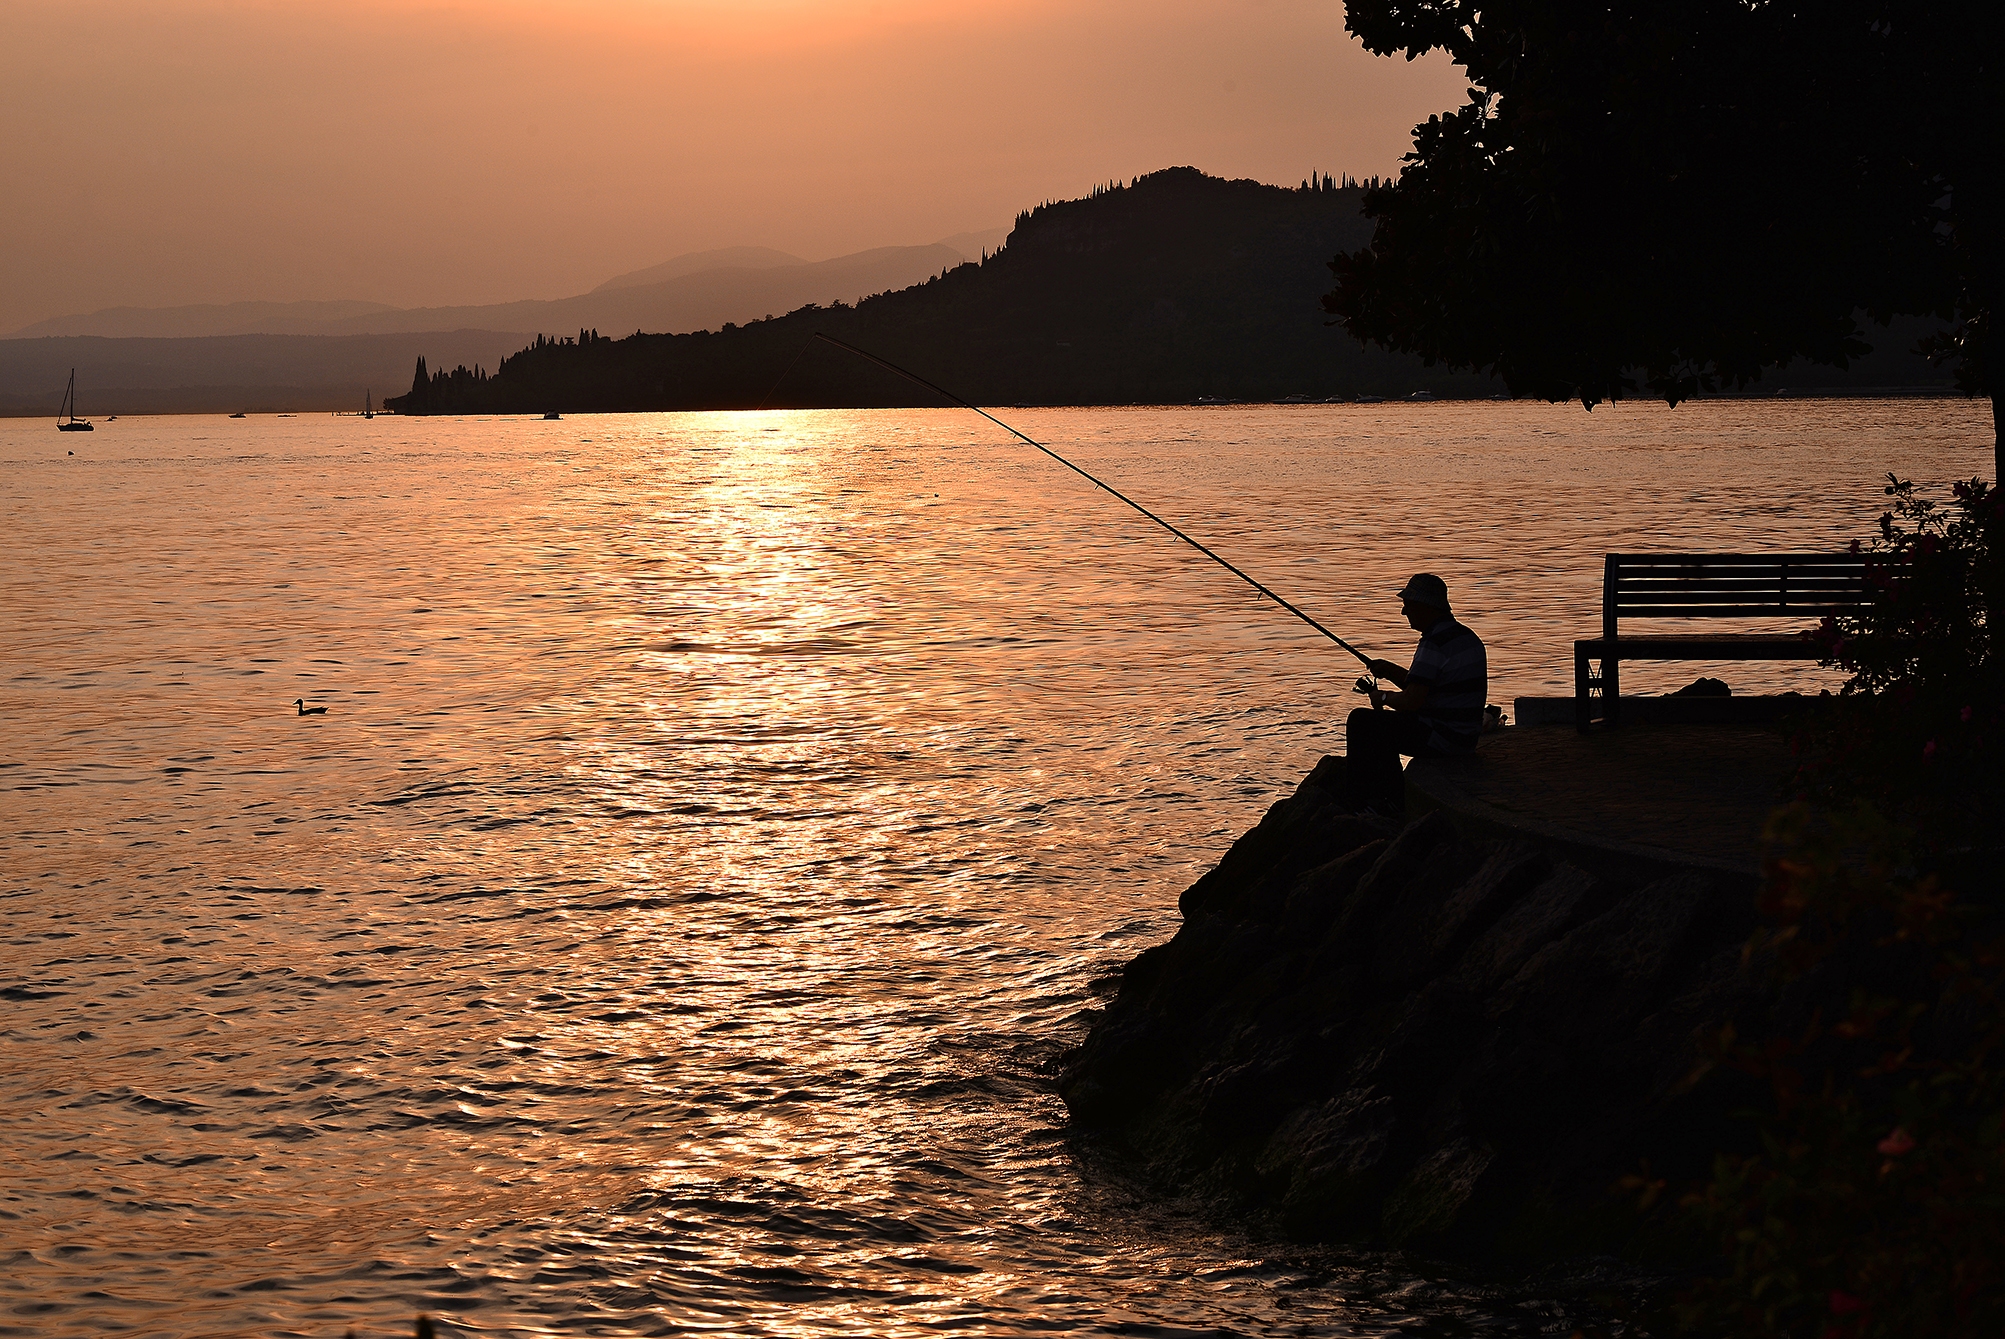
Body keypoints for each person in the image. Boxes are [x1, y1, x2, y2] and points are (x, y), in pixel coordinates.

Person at [1343, 573, 1487, 815]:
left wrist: (1384, 698)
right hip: (1465, 736)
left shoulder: (1434, 643)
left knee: (1362, 722)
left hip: (1443, 738)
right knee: (1382, 726)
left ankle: (1377, 802)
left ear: (1424, 606)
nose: (1403, 612)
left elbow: (1412, 701)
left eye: (1407, 605)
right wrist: (1389, 670)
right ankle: (1384, 798)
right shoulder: (1466, 637)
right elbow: (1426, 688)